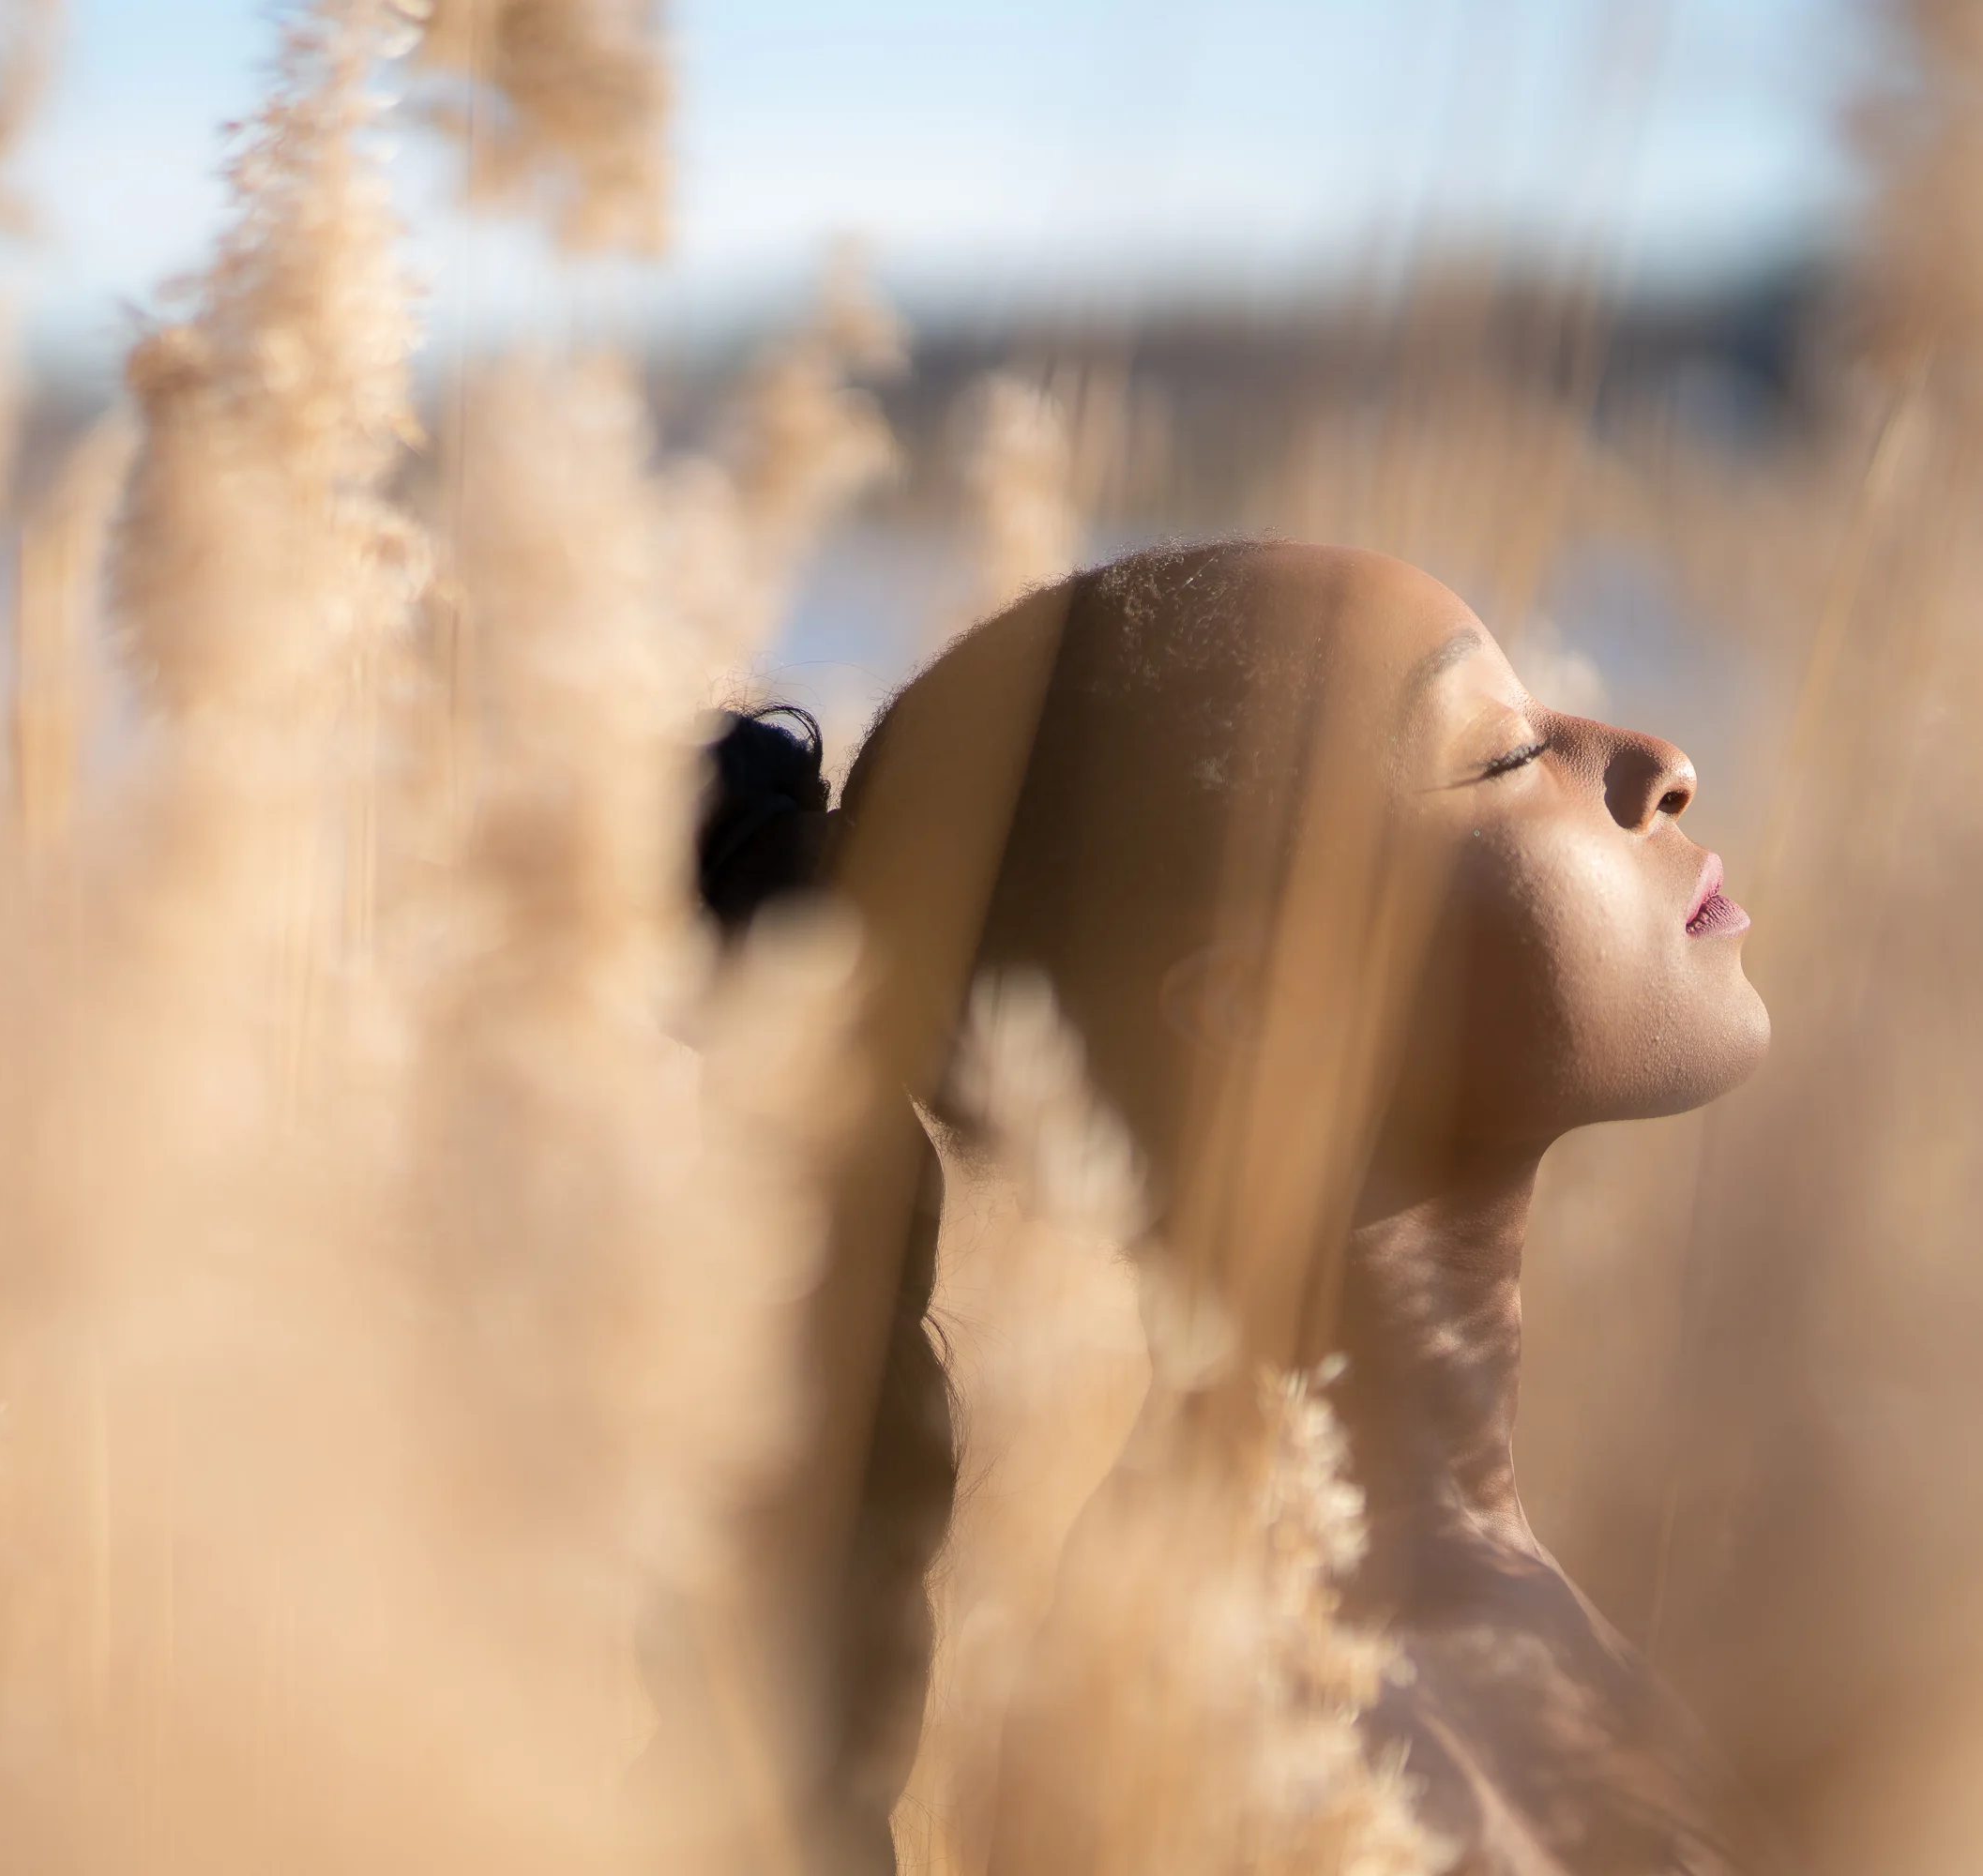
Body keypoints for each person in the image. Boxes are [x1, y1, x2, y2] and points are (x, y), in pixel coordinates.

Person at [694, 539, 1771, 1876]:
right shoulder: (1286, 1745)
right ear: (1258, 1009)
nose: (1659, 760)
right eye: (1503, 759)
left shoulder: (1430, 1594)